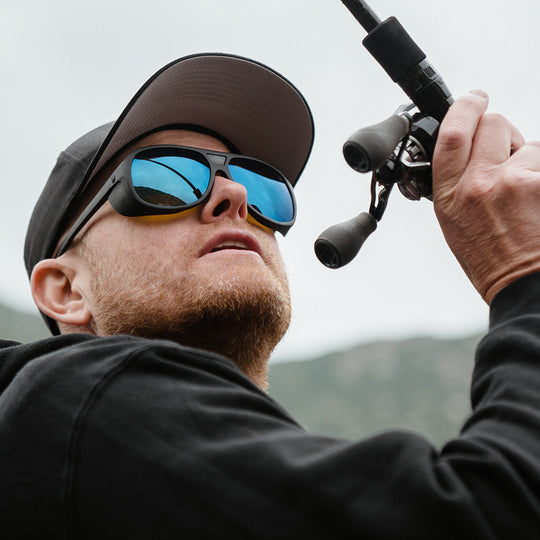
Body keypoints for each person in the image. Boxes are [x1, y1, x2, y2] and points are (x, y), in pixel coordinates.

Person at [1, 52, 540, 539]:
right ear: (66, 290)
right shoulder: (72, 399)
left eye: (259, 186)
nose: (234, 194)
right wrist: (525, 270)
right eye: (167, 178)